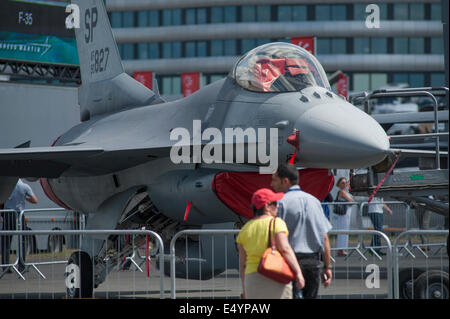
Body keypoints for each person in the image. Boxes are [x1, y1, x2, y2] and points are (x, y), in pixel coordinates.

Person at [271, 164, 333, 299]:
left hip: (289, 261)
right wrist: (327, 266)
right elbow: (324, 237)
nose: (272, 184)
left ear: (285, 181)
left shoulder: (280, 203)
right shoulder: (314, 201)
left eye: (275, 180)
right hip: (313, 262)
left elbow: (275, 236)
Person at [236, 188, 305, 299]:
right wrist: (298, 273)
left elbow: (243, 264)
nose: (278, 206)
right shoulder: (276, 223)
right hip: (275, 275)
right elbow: (285, 249)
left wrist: (245, 290)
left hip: (252, 279)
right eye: (275, 203)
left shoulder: (244, 230)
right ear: (267, 206)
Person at [1, 179, 38, 274]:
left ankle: (5, 266)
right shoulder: (25, 186)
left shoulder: (6, 186)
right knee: (22, 241)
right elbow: (35, 200)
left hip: (8, 214)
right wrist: (25, 198)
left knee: (6, 241)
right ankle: (21, 265)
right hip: (20, 215)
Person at [335, 177, 354, 257]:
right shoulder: (342, 192)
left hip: (346, 214)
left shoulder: (345, 192)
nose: (344, 184)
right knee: (343, 231)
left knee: (345, 231)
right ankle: (341, 249)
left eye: (345, 182)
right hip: (343, 214)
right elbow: (351, 201)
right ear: (339, 184)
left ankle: (342, 249)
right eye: (342, 182)